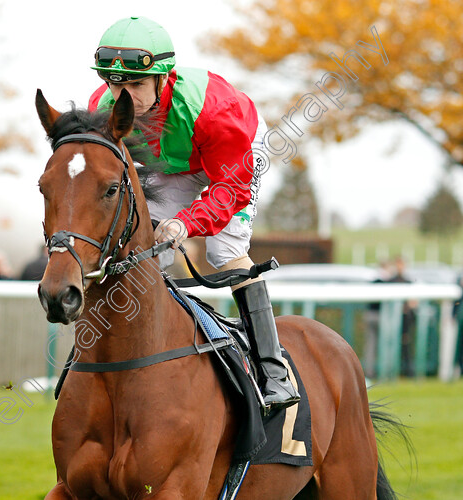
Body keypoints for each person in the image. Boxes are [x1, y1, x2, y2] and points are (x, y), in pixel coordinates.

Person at [88, 16, 298, 411]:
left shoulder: (214, 110)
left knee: (224, 252)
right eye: (116, 84)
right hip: (176, 163)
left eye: (135, 85)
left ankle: (273, 369)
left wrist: (186, 223)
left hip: (236, 152)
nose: (122, 97)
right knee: (148, 247)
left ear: (163, 79)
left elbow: (229, 188)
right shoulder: (102, 109)